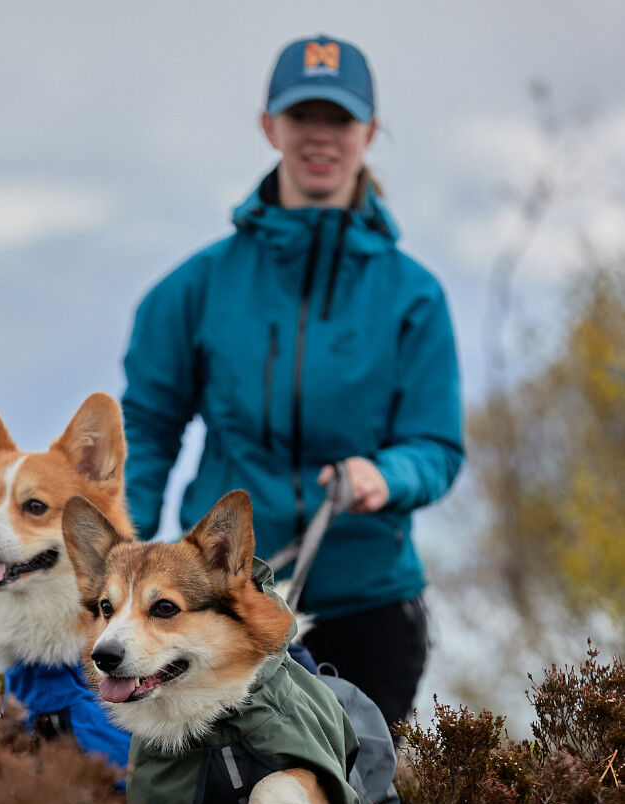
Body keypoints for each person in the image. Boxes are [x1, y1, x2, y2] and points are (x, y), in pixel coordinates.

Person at [120, 34, 464, 727]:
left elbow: (436, 446)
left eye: (339, 118)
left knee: (358, 793)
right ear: (269, 125)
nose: (320, 135)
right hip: (218, 611)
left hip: (369, 610)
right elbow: (147, 429)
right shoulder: (194, 288)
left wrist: (385, 476)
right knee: (215, 793)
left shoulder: (414, 297)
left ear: (369, 132)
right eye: (302, 115)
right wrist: (118, 554)